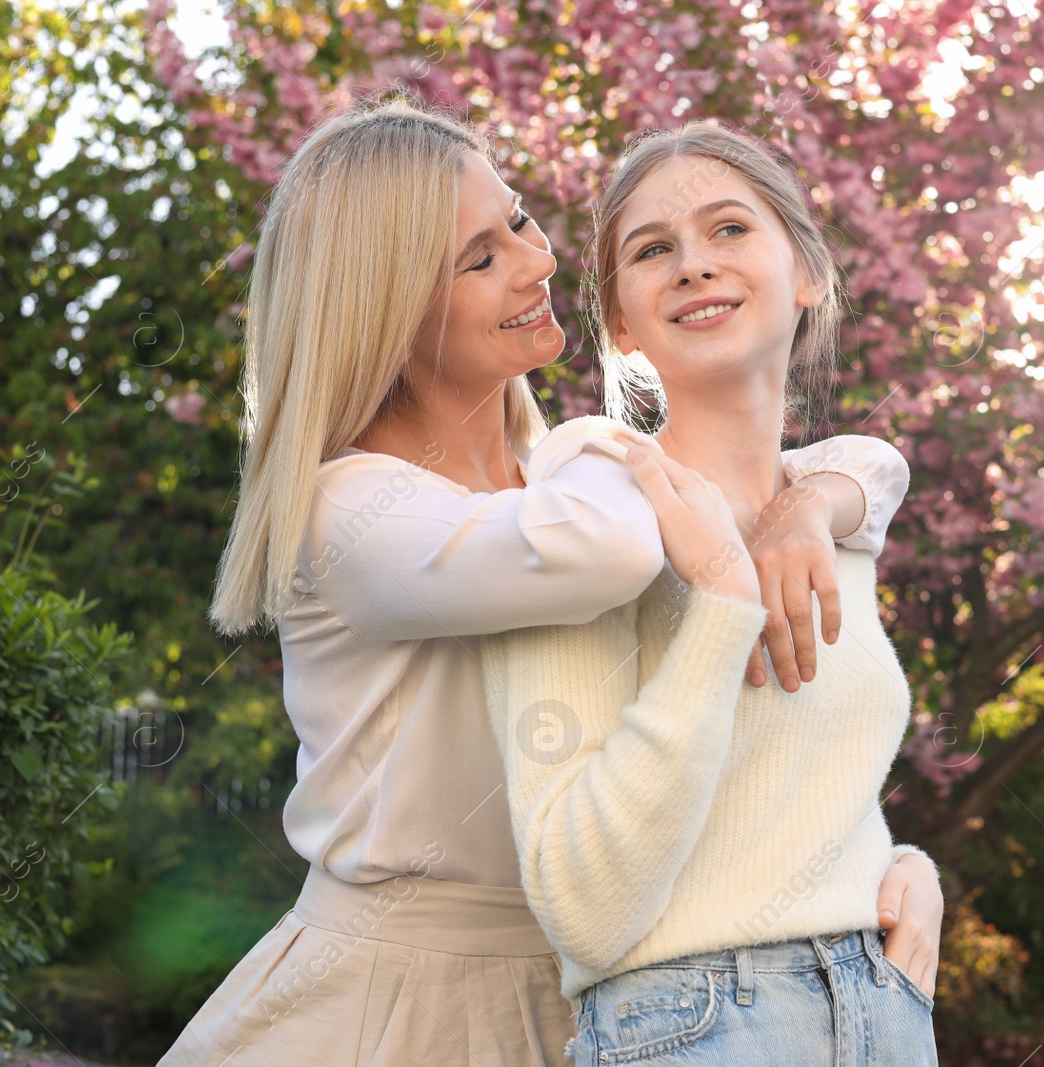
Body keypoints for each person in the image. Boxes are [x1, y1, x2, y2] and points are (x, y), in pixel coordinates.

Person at [159, 101, 939, 1067]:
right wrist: (767, 481)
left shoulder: (554, 483)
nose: (536, 264)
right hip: (402, 996)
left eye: (519, 220)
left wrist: (816, 498)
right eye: (476, 260)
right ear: (384, 307)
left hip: (605, 988)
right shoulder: (363, 511)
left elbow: (745, 759)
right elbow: (619, 544)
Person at [481, 123, 938, 1067]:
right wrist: (723, 612)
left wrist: (902, 870)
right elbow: (583, 908)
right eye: (654, 250)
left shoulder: (826, 519)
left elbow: (802, 790)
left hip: (884, 1008)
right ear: (619, 322)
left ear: (806, 272)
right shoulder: (593, 504)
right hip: (694, 1023)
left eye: (729, 229)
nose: (694, 265)